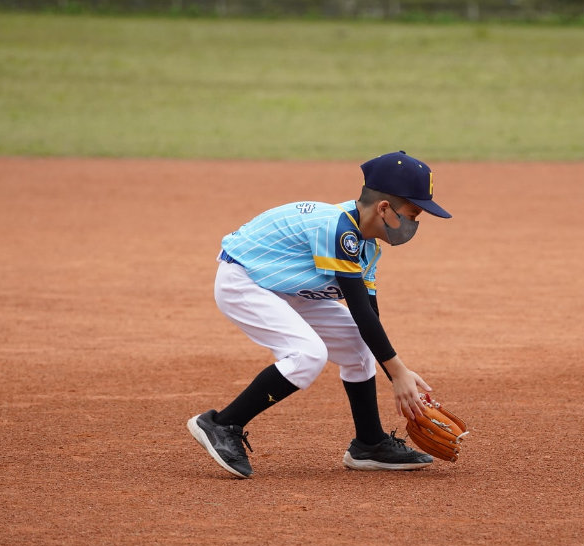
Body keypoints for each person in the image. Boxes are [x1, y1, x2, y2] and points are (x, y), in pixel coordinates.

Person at [187, 151, 453, 479]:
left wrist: (399, 374)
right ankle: (222, 423)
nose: (414, 224)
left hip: (286, 287)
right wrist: (397, 372)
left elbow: (368, 317)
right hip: (244, 280)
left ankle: (369, 443)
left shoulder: (368, 246)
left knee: (358, 345)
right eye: (413, 214)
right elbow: (360, 310)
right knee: (308, 355)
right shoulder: (338, 229)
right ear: (384, 208)